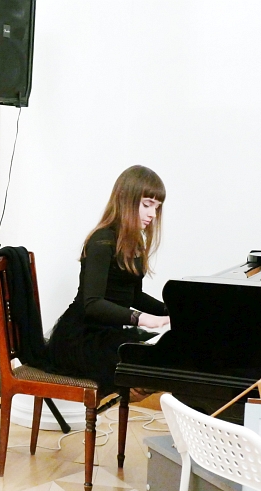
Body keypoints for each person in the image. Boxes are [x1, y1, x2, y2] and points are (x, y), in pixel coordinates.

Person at [43, 165, 170, 399]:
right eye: (147, 205)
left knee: (163, 362)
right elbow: (93, 304)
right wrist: (142, 318)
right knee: (149, 367)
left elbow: (133, 296)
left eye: (157, 207)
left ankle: (130, 389)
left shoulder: (135, 243)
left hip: (108, 333)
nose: (153, 214)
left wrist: (172, 311)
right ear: (125, 199)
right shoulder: (101, 241)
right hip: (82, 337)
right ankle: (128, 389)